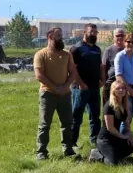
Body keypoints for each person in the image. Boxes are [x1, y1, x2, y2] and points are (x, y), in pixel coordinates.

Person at [34, 27, 80, 160]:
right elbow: (39, 75)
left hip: (65, 94)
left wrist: (65, 86)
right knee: (44, 124)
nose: (62, 38)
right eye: (59, 36)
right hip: (47, 94)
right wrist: (54, 87)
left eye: (61, 35)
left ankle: (68, 149)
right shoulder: (40, 54)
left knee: (67, 123)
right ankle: (41, 152)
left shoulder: (66, 54)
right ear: (50, 37)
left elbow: (73, 72)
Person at [92, 77, 133, 165]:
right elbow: (110, 128)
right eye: (118, 88)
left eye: (123, 88)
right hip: (105, 140)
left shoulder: (125, 104)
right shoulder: (109, 106)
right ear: (113, 91)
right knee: (115, 163)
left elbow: (126, 124)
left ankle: (117, 154)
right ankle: (96, 155)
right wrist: (123, 137)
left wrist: (129, 135)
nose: (121, 90)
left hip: (116, 138)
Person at [70, 23, 102, 147]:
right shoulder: (76, 49)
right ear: (85, 33)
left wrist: (102, 80)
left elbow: (100, 67)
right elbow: (73, 69)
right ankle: (72, 143)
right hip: (80, 89)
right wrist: (81, 84)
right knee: (76, 116)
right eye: (91, 32)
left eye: (95, 32)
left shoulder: (97, 49)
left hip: (94, 88)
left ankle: (95, 141)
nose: (93, 34)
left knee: (95, 116)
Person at [113, 33, 133, 126]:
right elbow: (119, 75)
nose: (130, 44)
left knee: (130, 117)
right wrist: (128, 89)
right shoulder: (120, 56)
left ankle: (126, 137)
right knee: (126, 117)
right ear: (124, 42)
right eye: (128, 41)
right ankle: (122, 138)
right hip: (124, 91)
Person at [100, 28, 125, 105]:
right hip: (110, 84)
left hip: (124, 84)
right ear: (113, 37)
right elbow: (103, 67)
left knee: (122, 107)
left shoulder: (127, 50)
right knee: (108, 107)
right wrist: (104, 82)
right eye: (117, 35)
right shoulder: (109, 50)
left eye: (122, 35)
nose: (120, 37)